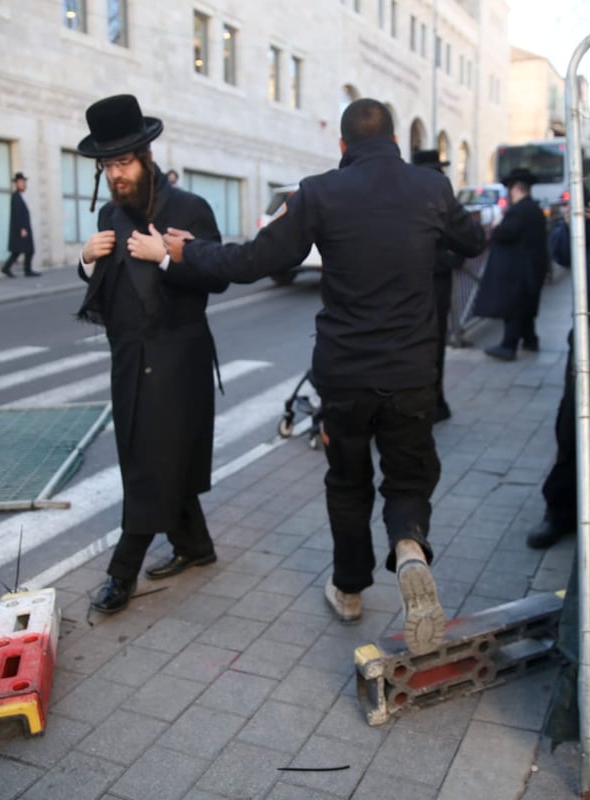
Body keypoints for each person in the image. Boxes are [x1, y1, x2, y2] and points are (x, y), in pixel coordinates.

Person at [161, 98, 485, 655]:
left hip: (345, 376)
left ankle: (350, 589)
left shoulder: (318, 193)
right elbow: (473, 240)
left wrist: (189, 252)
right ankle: (409, 547)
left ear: (341, 147)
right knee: (409, 477)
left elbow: (252, 262)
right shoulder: (430, 189)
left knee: (347, 481)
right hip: (411, 373)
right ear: (396, 144)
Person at [74, 94, 229, 614]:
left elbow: (219, 276)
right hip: (128, 361)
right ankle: (195, 546)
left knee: (146, 466)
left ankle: (123, 572)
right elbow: (105, 291)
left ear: (146, 158)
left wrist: (167, 257)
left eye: (124, 162)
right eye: (107, 165)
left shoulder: (190, 208)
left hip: (177, 361)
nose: (116, 174)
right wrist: (84, 259)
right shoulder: (107, 213)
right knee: (159, 459)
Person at [527, 185, 590, 548]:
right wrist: (582, 224)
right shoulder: (589, 191)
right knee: (571, 423)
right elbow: (561, 251)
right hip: (589, 330)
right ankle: (560, 510)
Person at [411, 150, 466, 423]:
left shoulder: (407, 194)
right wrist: (448, 259)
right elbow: (467, 238)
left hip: (412, 285)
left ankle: (427, 402)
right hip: (434, 283)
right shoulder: (440, 194)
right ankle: (432, 402)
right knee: (433, 345)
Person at [472, 167, 549, 361]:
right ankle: (530, 340)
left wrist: (497, 227)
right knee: (526, 308)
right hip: (532, 268)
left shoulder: (519, 212)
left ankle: (509, 345)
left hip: (519, 271)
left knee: (514, 308)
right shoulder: (534, 209)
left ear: (516, 189)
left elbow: (504, 234)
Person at [1, 172, 38, 277]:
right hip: (21, 230)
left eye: (24, 182)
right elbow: (17, 214)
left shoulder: (18, 197)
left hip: (22, 229)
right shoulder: (16, 197)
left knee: (17, 251)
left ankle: (6, 268)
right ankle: (27, 271)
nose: (23, 185)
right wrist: (22, 228)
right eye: (21, 182)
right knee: (28, 250)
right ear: (16, 184)